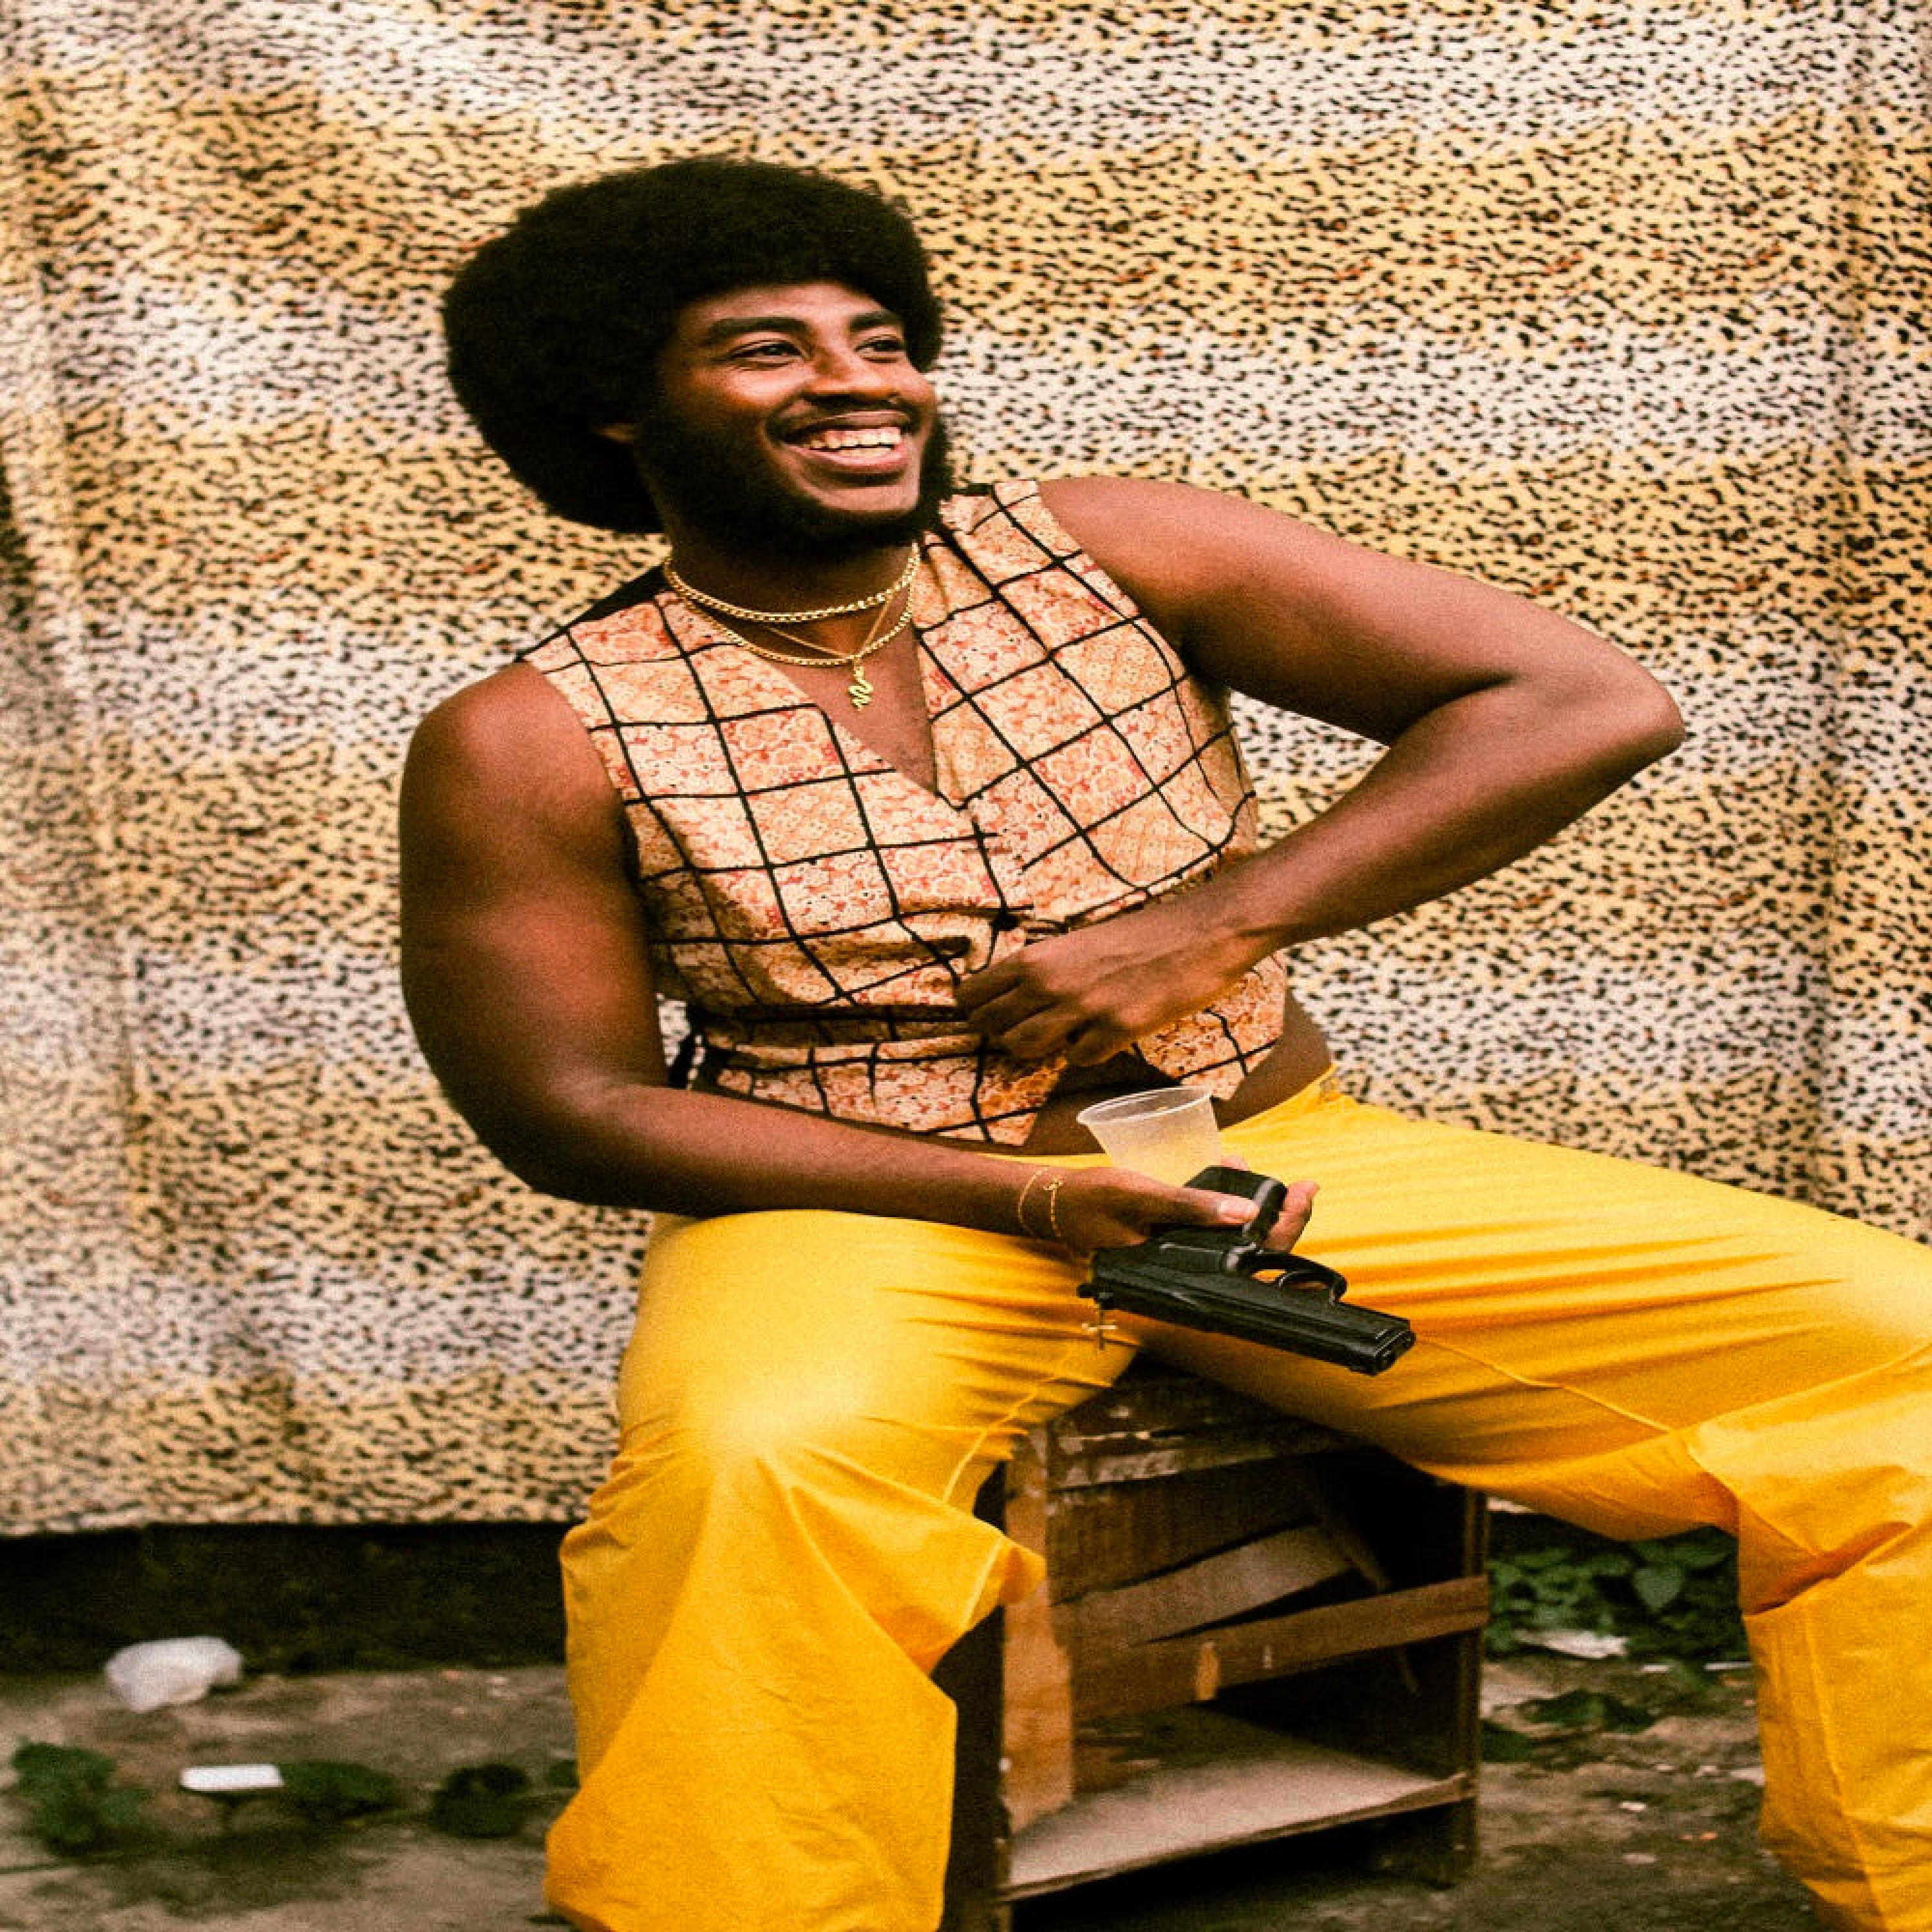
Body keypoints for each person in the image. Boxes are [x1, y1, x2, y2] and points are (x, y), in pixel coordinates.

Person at [402, 157, 1931, 1932]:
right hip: (867, 1212)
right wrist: (1032, 1205)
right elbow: (569, 1109)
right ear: (614, 405)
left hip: (1268, 1167)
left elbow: (1585, 701)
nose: (856, 384)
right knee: (750, 1476)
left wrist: (1216, 923)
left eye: (881, 341)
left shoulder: (1111, 549)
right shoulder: (532, 733)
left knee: (1899, 1351)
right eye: (768, 351)